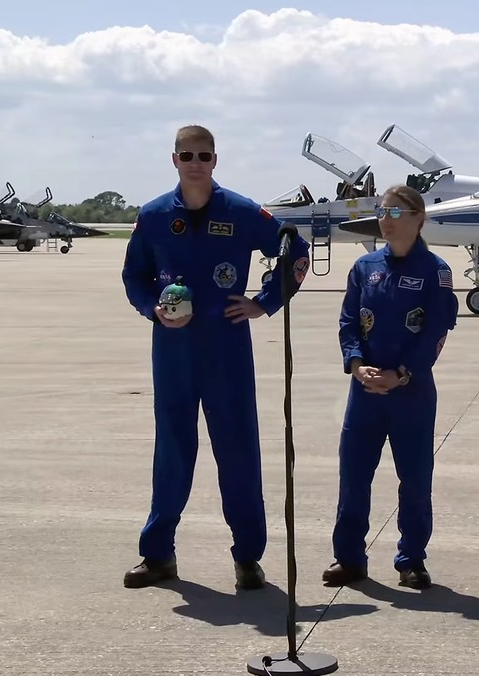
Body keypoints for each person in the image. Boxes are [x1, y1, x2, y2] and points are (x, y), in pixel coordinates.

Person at [120, 124, 312, 590]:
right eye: (186, 156)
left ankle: (248, 557)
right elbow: (134, 276)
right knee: (172, 451)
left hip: (227, 350)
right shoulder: (153, 215)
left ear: (214, 160)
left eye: (203, 156)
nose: (195, 164)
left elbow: (295, 252)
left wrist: (264, 302)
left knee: (238, 451)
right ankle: (158, 554)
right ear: (174, 160)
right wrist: (152, 310)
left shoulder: (242, 211)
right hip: (173, 352)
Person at [321, 184, 459, 590]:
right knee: (353, 476)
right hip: (365, 392)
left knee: (414, 480)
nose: (386, 220)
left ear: (419, 219)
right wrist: (356, 365)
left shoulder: (436, 271)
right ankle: (349, 558)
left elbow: (436, 330)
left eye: (396, 212)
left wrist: (401, 374)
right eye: (382, 212)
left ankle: (411, 559)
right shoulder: (364, 268)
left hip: (411, 392)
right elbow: (349, 321)